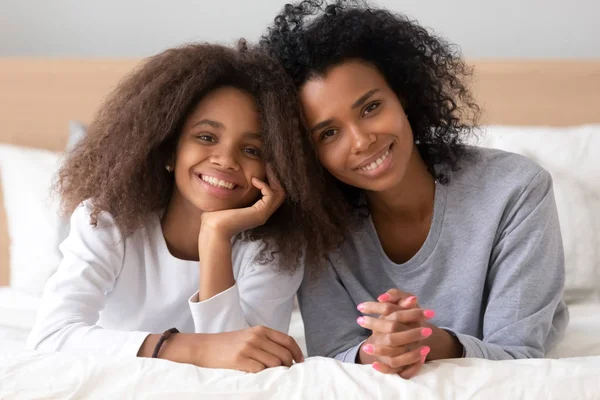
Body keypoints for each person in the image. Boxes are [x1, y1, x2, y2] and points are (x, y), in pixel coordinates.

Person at [261, 0, 569, 378]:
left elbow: (520, 355)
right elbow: (332, 357)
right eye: (328, 133)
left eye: (371, 107)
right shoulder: (319, 224)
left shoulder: (516, 190)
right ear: (306, 152)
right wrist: (379, 349)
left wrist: (431, 342)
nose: (361, 141)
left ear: (402, 94)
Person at [26, 41, 335, 373]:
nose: (226, 160)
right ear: (170, 148)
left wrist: (215, 235)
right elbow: (51, 337)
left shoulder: (277, 250)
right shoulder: (106, 221)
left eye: (252, 151)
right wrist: (192, 349)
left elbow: (247, 370)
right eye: (206, 137)